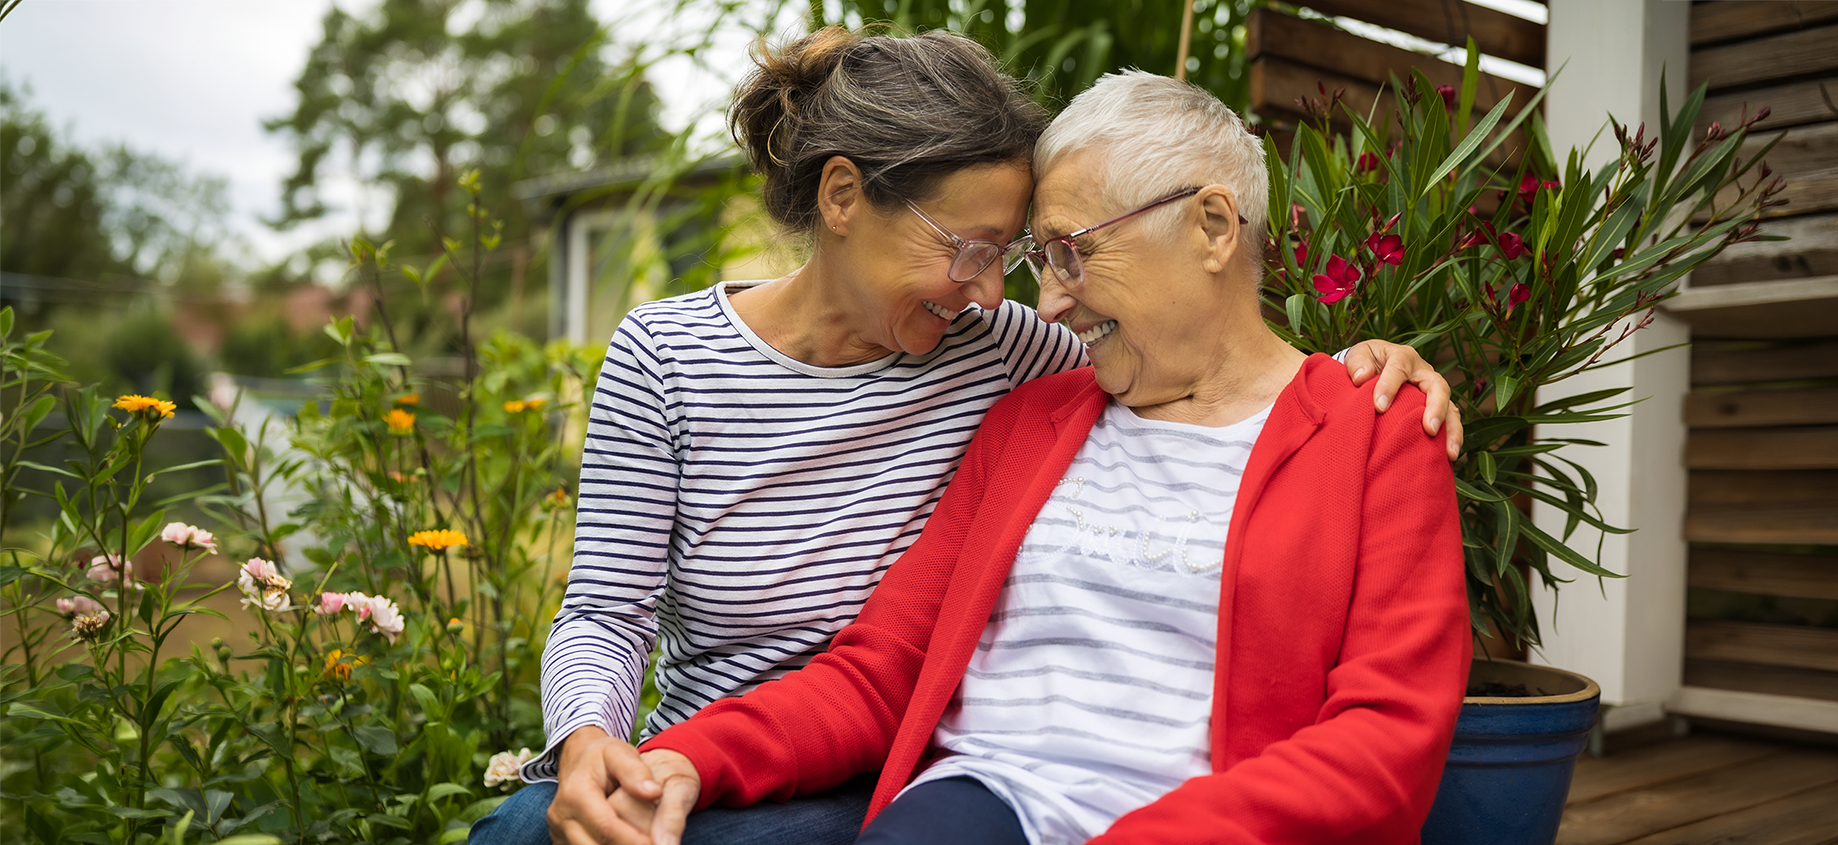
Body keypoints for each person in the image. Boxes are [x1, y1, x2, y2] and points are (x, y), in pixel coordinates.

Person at [468, 28, 1461, 845]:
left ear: (1210, 225)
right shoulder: (1034, 410)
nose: (1033, 297)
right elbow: (870, 662)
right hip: (962, 795)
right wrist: (662, 749)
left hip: (1184, 817)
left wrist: (1365, 365)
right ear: (842, 198)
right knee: (519, 834)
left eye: (1063, 253)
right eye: (1024, 256)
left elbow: (1383, 734)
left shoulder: (1364, 429)